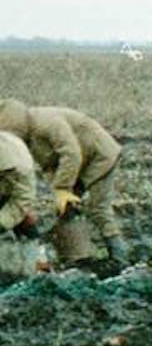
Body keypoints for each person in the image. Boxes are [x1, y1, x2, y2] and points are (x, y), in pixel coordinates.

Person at [0, 99, 128, 268]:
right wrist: (61, 190)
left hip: (100, 156)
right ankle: (77, 258)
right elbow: (51, 163)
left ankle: (120, 258)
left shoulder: (47, 122)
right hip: (76, 166)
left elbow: (71, 153)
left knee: (99, 209)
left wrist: (63, 188)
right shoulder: (27, 139)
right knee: (65, 210)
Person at [0, 130, 41, 243]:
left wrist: (2, 222)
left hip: (11, 184)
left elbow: (22, 200)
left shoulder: (21, 167)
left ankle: (35, 253)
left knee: (24, 216)